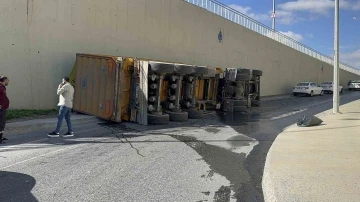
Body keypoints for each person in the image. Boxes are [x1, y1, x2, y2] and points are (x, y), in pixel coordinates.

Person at [0, 76, 9, 144]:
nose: (8, 82)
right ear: (5, 80)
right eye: (7, 80)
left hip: (3, 108)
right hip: (1, 108)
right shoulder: (0, 87)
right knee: (1, 123)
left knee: (2, 123)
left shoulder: (2, 87)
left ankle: (1, 137)